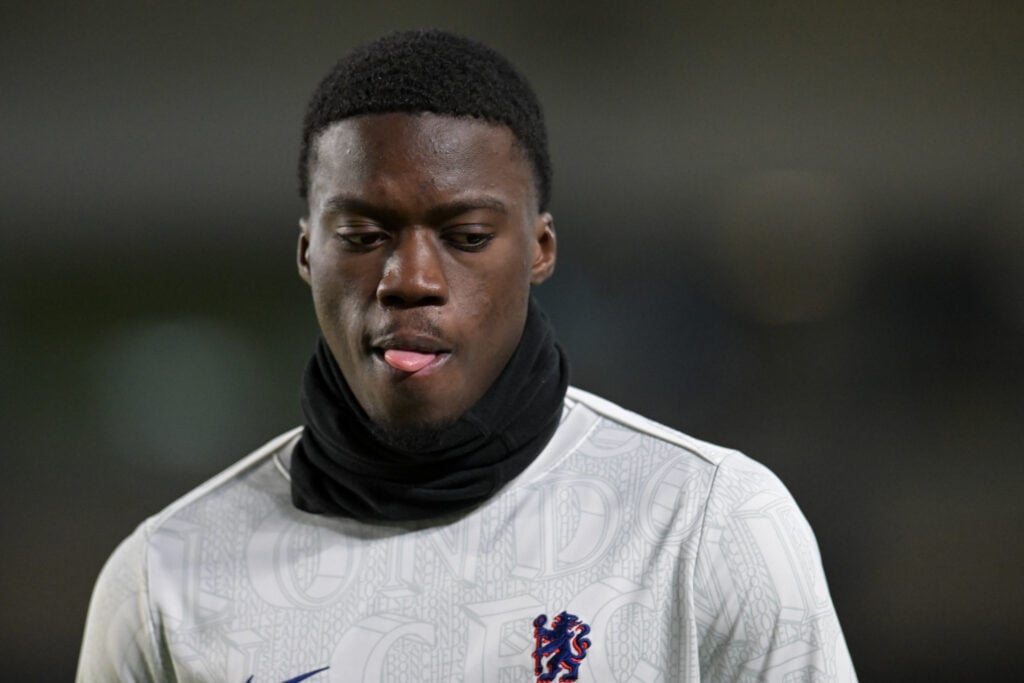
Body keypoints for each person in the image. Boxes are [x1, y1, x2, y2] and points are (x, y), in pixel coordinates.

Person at [77, 29, 856, 682]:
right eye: (362, 236)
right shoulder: (163, 581)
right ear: (309, 252)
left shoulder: (708, 527)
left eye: (468, 236)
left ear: (540, 250)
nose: (410, 280)